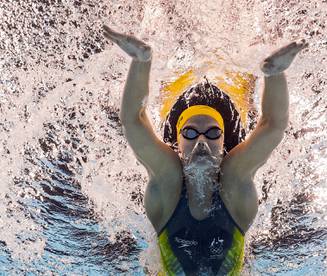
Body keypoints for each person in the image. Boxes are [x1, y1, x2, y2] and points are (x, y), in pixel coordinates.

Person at [103, 24, 307, 275]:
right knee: (238, 69)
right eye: (192, 135)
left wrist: (142, 60)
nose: (201, 141)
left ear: (221, 144)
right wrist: (274, 73)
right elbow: (273, 126)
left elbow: (134, 121)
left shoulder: (169, 191)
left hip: (184, 109)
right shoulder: (234, 195)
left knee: (185, 57)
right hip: (221, 113)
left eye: (209, 135)